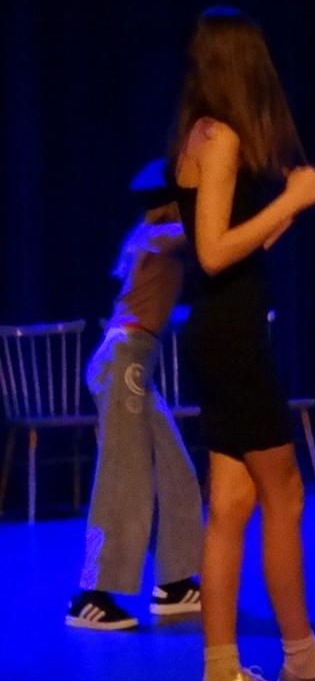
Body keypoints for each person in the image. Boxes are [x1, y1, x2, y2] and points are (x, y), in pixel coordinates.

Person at [168, 7, 315, 681]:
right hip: (231, 340)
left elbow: (237, 242)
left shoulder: (202, 133)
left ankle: (221, 673)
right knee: (283, 493)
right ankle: (303, 662)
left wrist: (293, 203)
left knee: (231, 502)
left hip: (221, 330)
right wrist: (288, 198)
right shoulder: (221, 136)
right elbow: (211, 252)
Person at [66, 160, 203, 631]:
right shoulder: (161, 235)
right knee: (124, 475)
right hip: (124, 359)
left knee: (175, 470)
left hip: (135, 361)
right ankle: (92, 596)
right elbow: (209, 238)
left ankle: (175, 584)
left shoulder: (153, 238)